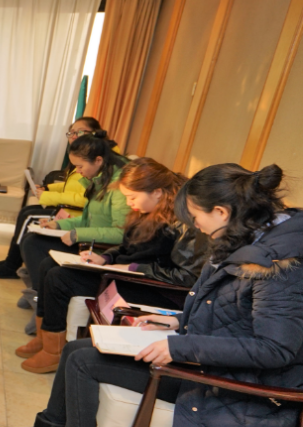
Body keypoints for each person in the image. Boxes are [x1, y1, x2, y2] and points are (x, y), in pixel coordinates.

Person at [0, 163, 303, 427]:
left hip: (231, 386)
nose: (196, 226)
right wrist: (177, 320)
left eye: (196, 217)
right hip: (212, 362)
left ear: (221, 212)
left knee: (84, 361)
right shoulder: (249, 242)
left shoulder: (276, 265)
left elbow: (275, 349)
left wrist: (179, 346)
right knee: (76, 349)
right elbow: (234, 315)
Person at [17, 158, 207, 373]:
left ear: (157, 192)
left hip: (155, 288)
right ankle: (45, 337)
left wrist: (134, 269)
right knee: (48, 264)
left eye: (132, 197)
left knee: (59, 278)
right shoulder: (146, 211)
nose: (129, 203)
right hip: (129, 274)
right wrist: (106, 258)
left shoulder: (184, 223)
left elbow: (186, 277)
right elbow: (127, 247)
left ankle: (54, 351)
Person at [15, 131, 129, 370]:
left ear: (98, 160)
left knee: (52, 270)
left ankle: (53, 348)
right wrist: (59, 225)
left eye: (80, 166)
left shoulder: (118, 188)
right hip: (91, 242)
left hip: (103, 250)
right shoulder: (97, 180)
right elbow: (87, 220)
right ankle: (44, 337)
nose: (77, 172)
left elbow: (121, 233)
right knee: (41, 256)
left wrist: (77, 234)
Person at [0, 116, 108, 279]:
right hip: (68, 209)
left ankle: (11, 264)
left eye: (79, 132)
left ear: (94, 134)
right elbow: (71, 186)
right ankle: (12, 261)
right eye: (71, 133)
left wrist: (50, 196)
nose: (73, 136)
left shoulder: (96, 162)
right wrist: (48, 188)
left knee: (29, 216)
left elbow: (85, 199)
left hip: (74, 213)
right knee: (26, 211)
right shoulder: (82, 158)